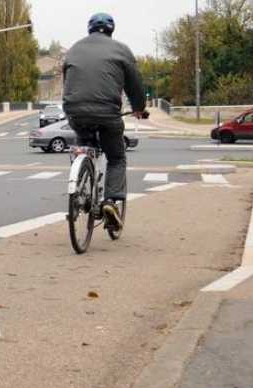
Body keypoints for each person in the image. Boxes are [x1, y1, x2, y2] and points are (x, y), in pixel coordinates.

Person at [62, 13, 147, 230]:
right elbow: (134, 85)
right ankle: (111, 201)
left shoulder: (74, 49)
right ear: (111, 30)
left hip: (75, 111)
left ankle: (80, 187)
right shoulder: (121, 50)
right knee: (116, 157)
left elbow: (68, 80)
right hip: (107, 113)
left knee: (83, 146)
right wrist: (138, 108)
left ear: (89, 29)